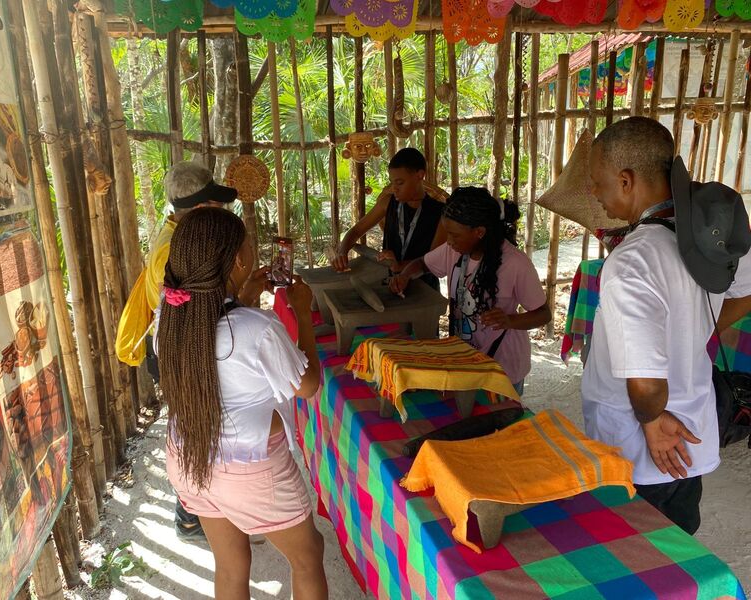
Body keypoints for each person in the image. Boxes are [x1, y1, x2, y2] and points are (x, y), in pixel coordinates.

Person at [581, 117, 751, 535]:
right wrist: (697, 331)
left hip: (646, 447)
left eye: (598, 183)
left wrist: (652, 424)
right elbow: (745, 293)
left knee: (632, 549)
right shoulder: (710, 237)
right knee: (678, 545)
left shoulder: (633, 261)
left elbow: (646, 383)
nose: (594, 194)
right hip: (692, 430)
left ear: (625, 181)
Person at [156, 207, 328, 600]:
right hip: (249, 470)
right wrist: (303, 314)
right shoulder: (257, 328)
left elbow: (216, 341)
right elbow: (308, 386)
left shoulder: (169, 315)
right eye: (248, 246)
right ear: (238, 260)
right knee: (308, 557)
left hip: (189, 456)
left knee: (231, 563)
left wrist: (241, 298)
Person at [117, 161, 268, 541]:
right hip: (183, 347)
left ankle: (196, 510)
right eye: (216, 204)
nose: (221, 210)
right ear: (202, 208)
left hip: (180, 343)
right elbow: (200, 313)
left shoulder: (178, 232)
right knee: (199, 426)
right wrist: (245, 297)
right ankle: (192, 513)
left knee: (198, 425)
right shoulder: (176, 248)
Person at [390, 187, 551, 393]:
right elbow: (422, 263)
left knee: (498, 414)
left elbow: (543, 314)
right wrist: (405, 276)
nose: (449, 241)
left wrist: (509, 321)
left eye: (454, 235)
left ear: (479, 232)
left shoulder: (516, 263)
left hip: (502, 368)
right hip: (464, 360)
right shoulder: (453, 250)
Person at [331, 148, 446, 289]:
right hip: (389, 285)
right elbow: (356, 231)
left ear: (420, 175)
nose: (394, 188)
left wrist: (399, 266)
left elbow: (434, 261)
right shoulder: (387, 203)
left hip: (425, 290)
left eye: (400, 183)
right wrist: (342, 253)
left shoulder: (440, 213)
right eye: (392, 182)